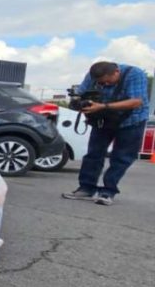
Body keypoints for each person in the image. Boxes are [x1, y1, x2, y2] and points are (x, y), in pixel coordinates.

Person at [62, 61, 150, 205]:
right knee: (93, 154)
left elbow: (136, 101)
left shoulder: (134, 74)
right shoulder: (93, 76)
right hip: (103, 119)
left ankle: (108, 191)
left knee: (121, 157)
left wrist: (103, 106)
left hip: (132, 121)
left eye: (108, 82)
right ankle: (86, 188)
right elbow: (80, 93)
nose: (105, 85)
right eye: (101, 83)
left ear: (116, 72)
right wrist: (79, 103)